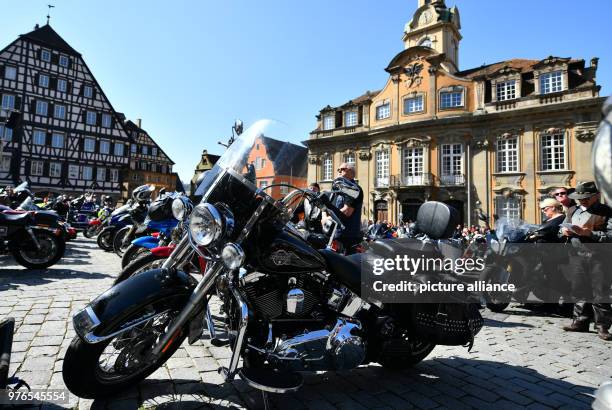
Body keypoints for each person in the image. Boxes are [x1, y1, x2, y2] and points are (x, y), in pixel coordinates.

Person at [561, 181, 612, 341]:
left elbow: (610, 235)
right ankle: (580, 321)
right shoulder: (572, 210)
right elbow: (561, 227)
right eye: (580, 198)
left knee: (600, 291)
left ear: (596, 196)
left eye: (586, 198)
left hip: (599, 257)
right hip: (577, 255)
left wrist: (589, 234)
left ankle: (602, 326)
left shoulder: (606, 211)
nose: (582, 201)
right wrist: (563, 231)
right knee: (578, 288)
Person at [326, 163, 363, 254]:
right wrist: (324, 215)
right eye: (338, 170)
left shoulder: (354, 189)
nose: (338, 172)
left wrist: (328, 218)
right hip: (334, 236)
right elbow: (327, 208)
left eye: (342, 169)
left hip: (347, 238)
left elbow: (347, 212)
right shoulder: (338, 190)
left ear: (351, 172)